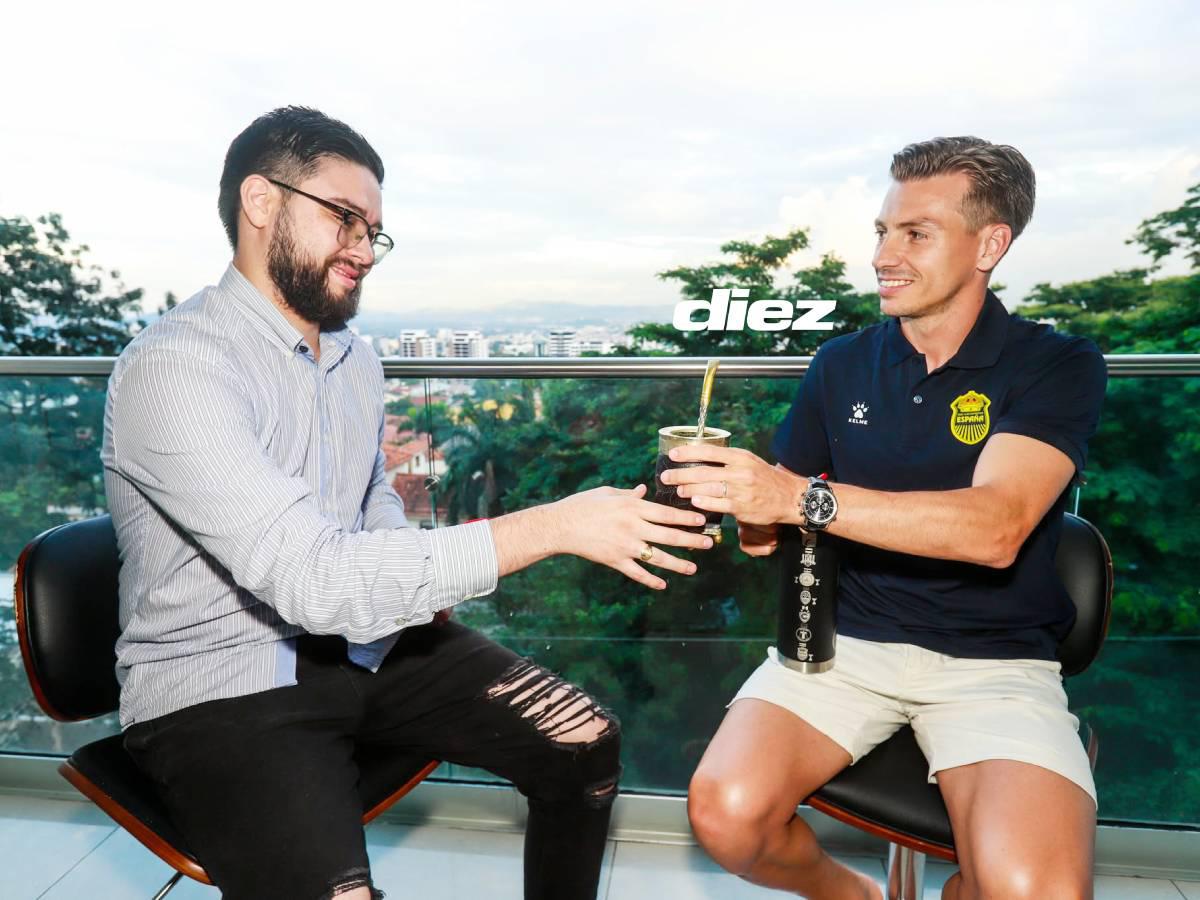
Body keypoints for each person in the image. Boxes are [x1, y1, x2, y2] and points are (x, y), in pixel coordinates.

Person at [101, 106, 712, 900]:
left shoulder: (353, 360)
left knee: (585, 740)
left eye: (373, 230)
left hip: (360, 646)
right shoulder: (176, 370)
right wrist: (556, 525)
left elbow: (370, 498)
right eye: (344, 219)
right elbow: (313, 580)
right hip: (221, 685)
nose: (363, 249)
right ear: (260, 202)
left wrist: (417, 595)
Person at [674, 137, 1107, 900]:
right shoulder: (840, 364)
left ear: (991, 244)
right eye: (882, 231)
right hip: (844, 647)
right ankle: (861, 897)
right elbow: (776, 524)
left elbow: (995, 528)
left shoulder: (1055, 363)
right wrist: (743, 508)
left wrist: (797, 499)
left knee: (1033, 890)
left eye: (916, 233)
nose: (884, 255)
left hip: (995, 663)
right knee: (726, 815)